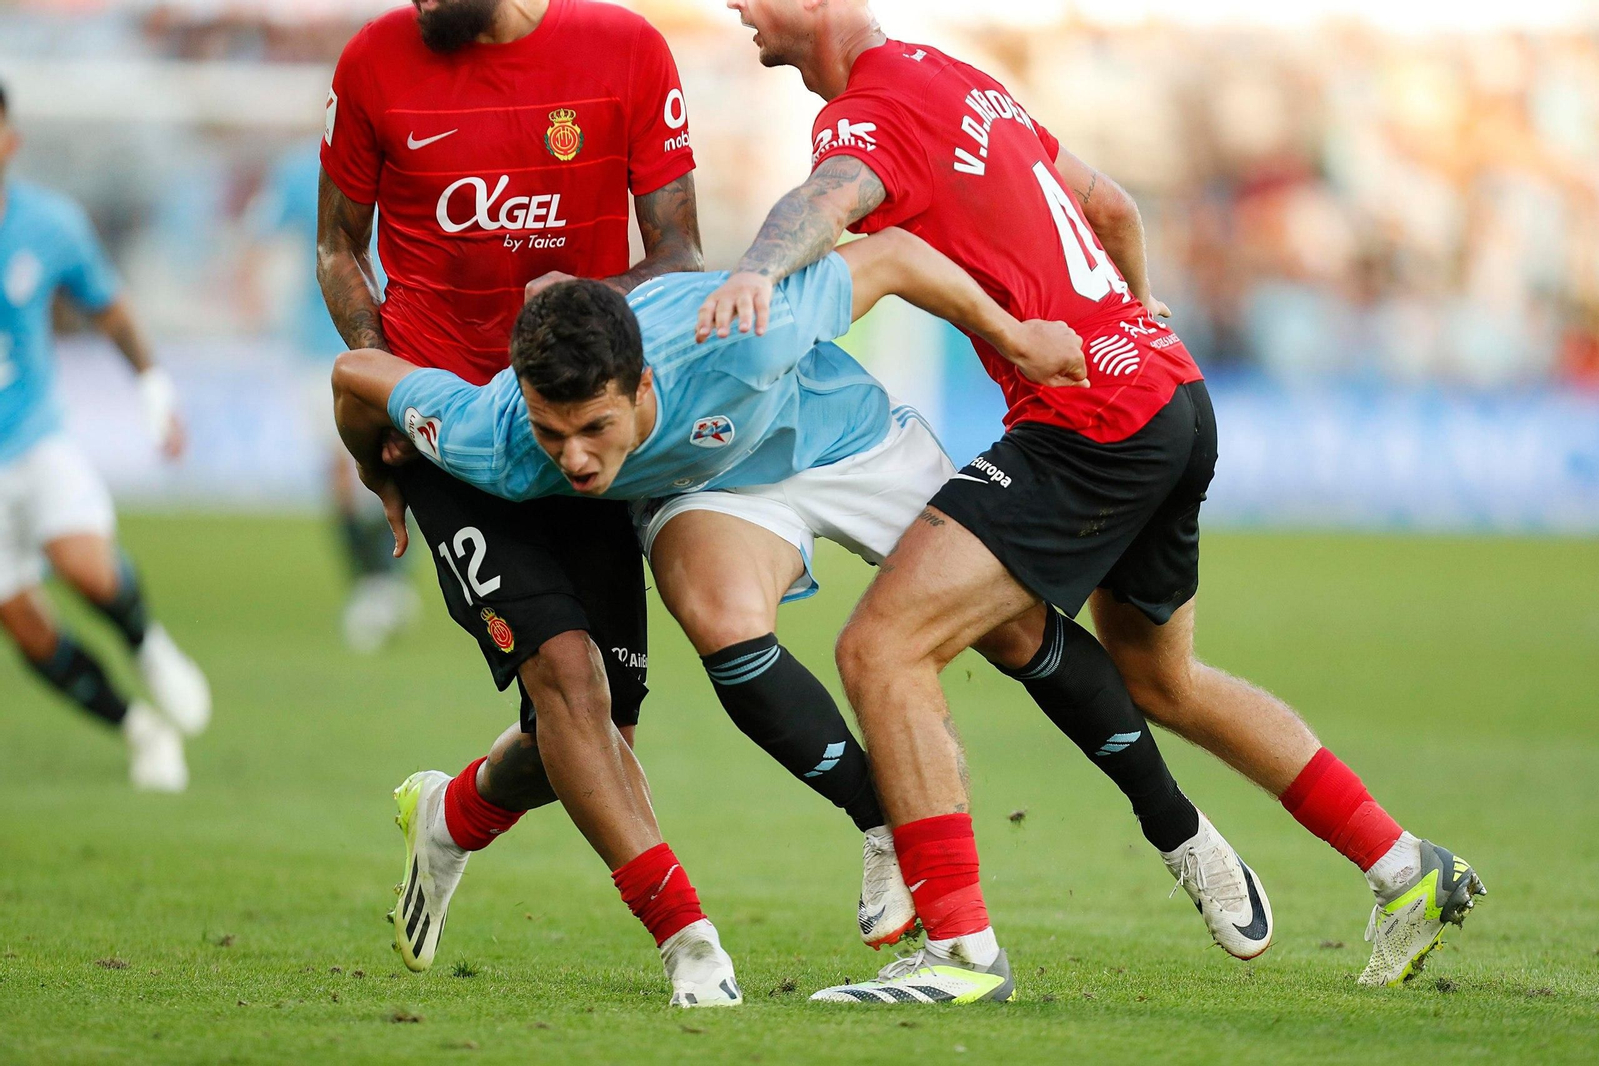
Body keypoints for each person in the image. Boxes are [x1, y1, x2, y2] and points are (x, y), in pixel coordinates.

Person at [706, 0, 1486, 1001]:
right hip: (1169, 386)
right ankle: (1401, 865)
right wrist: (1138, 302)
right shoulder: (960, 79)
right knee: (1165, 680)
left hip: (1088, 419)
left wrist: (755, 272)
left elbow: (828, 197)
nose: (736, 8)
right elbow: (1112, 204)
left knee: (881, 646)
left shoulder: (870, 109)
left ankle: (958, 950)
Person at [337, 225, 1262, 990]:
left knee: (1013, 627)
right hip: (718, 491)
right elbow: (357, 377)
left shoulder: (735, 334)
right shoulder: (493, 434)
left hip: (847, 440)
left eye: (595, 430)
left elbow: (895, 254)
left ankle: (1184, 835)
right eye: (554, 433)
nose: (574, 460)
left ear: (646, 386)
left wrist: (1015, 339)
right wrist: (374, 474)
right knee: (716, 613)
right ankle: (882, 823)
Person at [315, 0, 719, 1005]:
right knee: (567, 679)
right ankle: (690, 942)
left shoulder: (626, 52)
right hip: (452, 427)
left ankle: (449, 814)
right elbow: (338, 247)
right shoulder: (372, 62)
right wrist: (398, 390)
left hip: (575, 422)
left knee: (595, 733)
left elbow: (678, 251)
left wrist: (577, 304)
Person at [0, 82, 211, 791]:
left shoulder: (47, 224)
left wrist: (154, 388)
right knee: (25, 624)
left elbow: (110, 309)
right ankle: (139, 729)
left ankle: (146, 641)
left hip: (34, 438)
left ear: (11, 140)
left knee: (85, 566)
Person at [245, 141, 416, 653]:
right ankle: (373, 582)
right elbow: (261, 234)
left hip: (399, 335)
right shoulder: (304, 172)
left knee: (400, 459)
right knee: (342, 471)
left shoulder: (406, 164)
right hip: (323, 339)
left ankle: (390, 581)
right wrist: (251, 291)